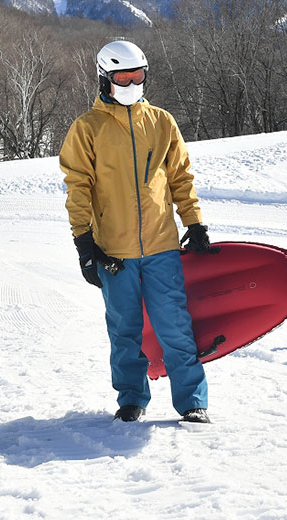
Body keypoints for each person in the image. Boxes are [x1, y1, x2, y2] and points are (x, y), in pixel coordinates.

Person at [59, 40, 211, 424]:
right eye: (122, 77)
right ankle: (131, 399)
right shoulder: (86, 128)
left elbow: (180, 176)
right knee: (124, 331)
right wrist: (84, 243)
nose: (130, 83)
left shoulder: (161, 122)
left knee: (175, 326)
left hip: (161, 246)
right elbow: (78, 187)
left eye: (137, 75)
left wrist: (193, 222)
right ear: (104, 79)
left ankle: (192, 401)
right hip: (114, 252)